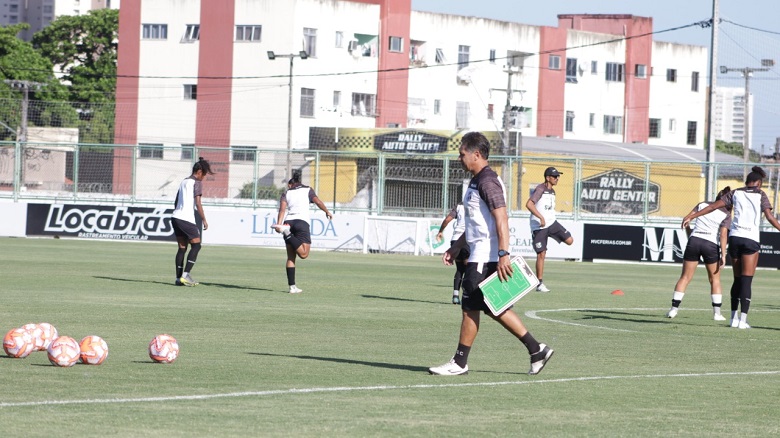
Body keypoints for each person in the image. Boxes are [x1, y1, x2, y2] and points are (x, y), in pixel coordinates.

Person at [429, 131, 553, 376]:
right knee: (492, 307)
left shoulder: (487, 181)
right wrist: (456, 247)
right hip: (479, 252)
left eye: (462, 153)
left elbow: (501, 217)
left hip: (485, 257)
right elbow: (479, 223)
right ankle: (536, 349)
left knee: (471, 307)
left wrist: (504, 253)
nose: (459, 157)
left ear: (476, 154)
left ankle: (460, 362)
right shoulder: (476, 180)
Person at [683, 166, 780, 329]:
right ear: (758, 183)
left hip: (734, 238)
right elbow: (769, 216)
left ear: (747, 182)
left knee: (736, 280)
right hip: (751, 239)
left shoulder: (735, 193)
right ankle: (743, 320)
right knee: (746, 281)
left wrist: (691, 216)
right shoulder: (761, 195)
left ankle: (733, 318)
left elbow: (713, 206)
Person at [667, 187, 732, 321]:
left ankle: (673, 310)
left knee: (685, 277)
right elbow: (723, 235)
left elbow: (686, 220)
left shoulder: (702, 204)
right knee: (715, 280)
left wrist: (691, 236)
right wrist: (724, 255)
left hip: (694, 241)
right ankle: (717, 314)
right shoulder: (726, 213)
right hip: (710, 245)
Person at [272, 170, 333, 294]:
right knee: (304, 254)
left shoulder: (287, 193)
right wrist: (327, 211)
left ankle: (292, 287)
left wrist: (279, 224)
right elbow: (318, 201)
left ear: (291, 184)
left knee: (290, 257)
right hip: (301, 223)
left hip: (288, 222)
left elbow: (282, 210)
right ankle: (287, 233)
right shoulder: (307, 190)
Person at [526, 166, 574, 292]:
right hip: (539, 226)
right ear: (548, 178)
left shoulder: (552, 191)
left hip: (552, 223)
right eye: (555, 176)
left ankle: (550, 236)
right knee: (541, 254)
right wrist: (541, 218)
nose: (557, 178)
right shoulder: (540, 189)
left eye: (558, 176)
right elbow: (529, 204)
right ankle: (539, 284)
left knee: (570, 240)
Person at [171, 157, 214, 286]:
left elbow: (176, 201)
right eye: (204, 174)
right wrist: (204, 220)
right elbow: (198, 204)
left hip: (175, 217)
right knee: (196, 245)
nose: (204, 178)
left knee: (182, 248)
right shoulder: (196, 182)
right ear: (199, 171)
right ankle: (186, 275)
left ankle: (179, 279)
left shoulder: (184, 181)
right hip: (186, 218)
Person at [435, 203, 469, 304]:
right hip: (467, 240)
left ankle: (455, 296)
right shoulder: (477, 205)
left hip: (455, 240)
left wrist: (440, 231)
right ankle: (466, 297)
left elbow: (447, 220)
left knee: (459, 269)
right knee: (469, 269)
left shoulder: (459, 207)